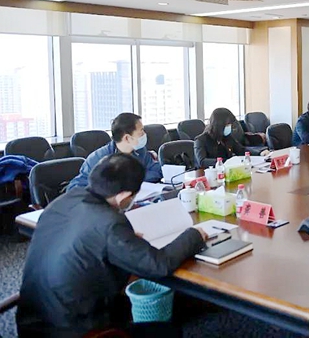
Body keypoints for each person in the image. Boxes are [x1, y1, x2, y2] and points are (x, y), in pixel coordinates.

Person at [17, 153, 207, 337]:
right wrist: (195, 234)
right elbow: (158, 264)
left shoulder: (65, 200)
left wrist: (122, 239)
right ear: (123, 196)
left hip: (32, 322)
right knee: (169, 331)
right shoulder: (110, 223)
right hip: (75, 330)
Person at [68, 112, 162, 191]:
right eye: (141, 131)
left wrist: (132, 181)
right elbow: (75, 188)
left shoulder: (140, 151)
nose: (144, 134)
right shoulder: (99, 158)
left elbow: (156, 170)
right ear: (127, 138)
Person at [194, 108, 269, 168]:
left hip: (227, 171)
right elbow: (202, 161)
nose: (230, 127)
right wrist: (226, 162)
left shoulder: (227, 137)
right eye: (227, 124)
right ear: (219, 125)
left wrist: (259, 153)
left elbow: (241, 150)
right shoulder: (200, 140)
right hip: (208, 174)